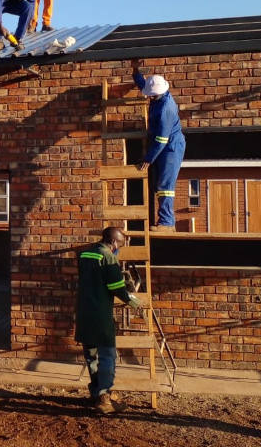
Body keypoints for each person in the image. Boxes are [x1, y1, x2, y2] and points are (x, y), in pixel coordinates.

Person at [75, 226, 141, 414]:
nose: (118, 248)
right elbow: (116, 286)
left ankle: (97, 394)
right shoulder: (108, 257)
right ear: (113, 242)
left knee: (91, 355)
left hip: (83, 312)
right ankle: (104, 399)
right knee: (106, 356)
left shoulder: (85, 254)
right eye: (119, 244)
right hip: (101, 314)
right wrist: (131, 300)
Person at [131, 60, 185, 231]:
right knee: (159, 183)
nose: (149, 97)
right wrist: (135, 70)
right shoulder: (158, 93)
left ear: (157, 94)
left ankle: (167, 223)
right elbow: (143, 85)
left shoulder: (165, 110)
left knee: (165, 185)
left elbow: (162, 140)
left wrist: (148, 159)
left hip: (170, 147)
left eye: (151, 96)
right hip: (161, 144)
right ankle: (166, 222)